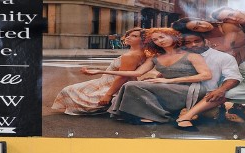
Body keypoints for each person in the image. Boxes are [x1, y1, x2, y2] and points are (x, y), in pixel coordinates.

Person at [82, 27, 212, 125]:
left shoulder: (191, 55)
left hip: (190, 90)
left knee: (134, 85)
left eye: (162, 37)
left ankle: (161, 116)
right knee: (131, 85)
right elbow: (135, 73)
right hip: (167, 88)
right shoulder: (156, 57)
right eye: (155, 40)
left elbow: (206, 75)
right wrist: (101, 72)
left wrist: (169, 81)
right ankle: (153, 114)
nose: (159, 41)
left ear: (173, 36)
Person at [51, 28, 147, 115]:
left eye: (134, 36)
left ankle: (105, 107)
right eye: (129, 35)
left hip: (111, 85)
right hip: (106, 81)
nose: (129, 37)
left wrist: (108, 95)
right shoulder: (141, 53)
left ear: (143, 40)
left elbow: (123, 76)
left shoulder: (131, 55)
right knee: (72, 90)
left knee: (69, 90)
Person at [174, 31, 240, 131]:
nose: (193, 45)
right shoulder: (180, 56)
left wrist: (221, 90)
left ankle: (186, 117)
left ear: (205, 40)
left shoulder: (223, 57)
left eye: (197, 41)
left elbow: (234, 77)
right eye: (188, 42)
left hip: (208, 96)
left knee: (209, 118)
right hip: (182, 93)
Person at [170, 18, 245, 65]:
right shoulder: (203, 37)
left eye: (199, 23)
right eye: (197, 28)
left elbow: (228, 48)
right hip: (228, 63)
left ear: (201, 19)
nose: (203, 26)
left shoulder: (227, 26)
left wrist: (209, 49)